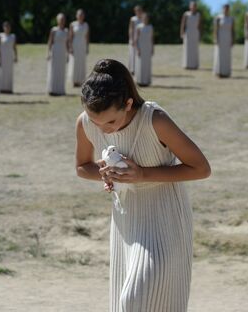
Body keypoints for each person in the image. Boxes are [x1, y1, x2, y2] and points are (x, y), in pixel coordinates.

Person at [75, 59, 211, 311]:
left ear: (127, 104)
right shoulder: (85, 122)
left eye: (110, 123)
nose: (103, 130)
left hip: (165, 218)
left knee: (135, 301)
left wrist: (143, 175)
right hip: (126, 221)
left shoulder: (155, 119)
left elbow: (201, 168)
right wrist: (107, 174)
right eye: (96, 123)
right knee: (129, 302)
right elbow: (83, 167)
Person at [46, 13, 69, 96]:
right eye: (60, 19)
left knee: (61, 71)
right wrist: (48, 53)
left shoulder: (66, 31)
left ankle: (60, 90)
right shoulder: (54, 30)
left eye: (63, 19)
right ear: (57, 20)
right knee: (53, 70)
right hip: (55, 51)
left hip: (62, 53)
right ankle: (52, 89)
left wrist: (67, 54)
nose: (62, 21)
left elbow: (67, 43)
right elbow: (50, 42)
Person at [68, 9, 89, 87]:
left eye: (82, 14)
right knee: (75, 63)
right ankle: (74, 81)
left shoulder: (86, 25)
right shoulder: (73, 24)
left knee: (82, 62)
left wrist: (87, 47)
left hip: (82, 45)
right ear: (76, 16)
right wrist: (70, 47)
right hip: (75, 45)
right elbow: (70, 37)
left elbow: (87, 37)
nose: (80, 16)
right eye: (79, 15)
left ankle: (81, 80)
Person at [213, 4, 234, 78]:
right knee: (219, 55)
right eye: (225, 9)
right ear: (222, 9)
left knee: (227, 55)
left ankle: (226, 72)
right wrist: (216, 38)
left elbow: (232, 30)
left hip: (228, 37)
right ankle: (219, 71)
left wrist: (232, 40)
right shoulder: (218, 17)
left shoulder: (231, 18)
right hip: (220, 37)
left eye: (227, 9)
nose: (226, 10)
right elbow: (216, 29)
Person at [134, 12, 154, 87]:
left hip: (148, 48)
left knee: (147, 64)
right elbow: (136, 39)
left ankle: (146, 81)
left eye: (147, 18)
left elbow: (152, 38)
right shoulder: (139, 27)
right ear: (142, 19)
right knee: (140, 64)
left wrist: (152, 48)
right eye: (144, 18)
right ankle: (140, 81)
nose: (145, 19)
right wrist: (138, 49)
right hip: (141, 48)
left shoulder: (151, 27)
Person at [180, 0, 201, 70]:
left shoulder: (198, 15)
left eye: (195, 6)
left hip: (195, 32)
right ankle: (187, 64)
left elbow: (199, 25)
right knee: (187, 49)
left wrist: (199, 33)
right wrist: (182, 33)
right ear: (190, 6)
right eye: (192, 5)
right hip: (188, 32)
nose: (193, 7)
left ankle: (194, 65)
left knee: (194, 49)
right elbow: (183, 24)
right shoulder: (186, 14)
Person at [0, 21, 17, 93]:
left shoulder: (13, 36)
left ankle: (8, 88)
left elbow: (14, 47)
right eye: (5, 27)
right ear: (3, 28)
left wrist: (16, 56)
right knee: (1, 72)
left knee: (9, 72)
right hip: (2, 56)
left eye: (8, 27)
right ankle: (1, 88)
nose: (7, 28)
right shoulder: (0, 36)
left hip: (9, 56)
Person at [128, 5, 143, 75]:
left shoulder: (143, 18)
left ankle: (139, 69)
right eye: (137, 10)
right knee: (132, 54)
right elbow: (131, 29)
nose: (138, 12)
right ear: (135, 11)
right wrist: (131, 39)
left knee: (139, 54)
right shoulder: (133, 19)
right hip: (134, 38)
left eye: (139, 10)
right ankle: (132, 69)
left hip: (141, 39)